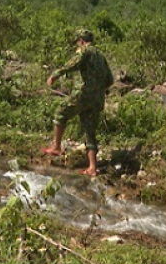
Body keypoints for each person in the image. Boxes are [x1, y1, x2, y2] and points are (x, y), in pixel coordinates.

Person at [41, 29, 113, 177]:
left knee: (61, 112)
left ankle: (56, 147)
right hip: (97, 99)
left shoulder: (85, 51)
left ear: (81, 40)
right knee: (89, 131)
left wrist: (55, 74)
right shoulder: (101, 56)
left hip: (83, 93)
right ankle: (92, 168)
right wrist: (98, 89)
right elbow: (110, 79)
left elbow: (73, 63)